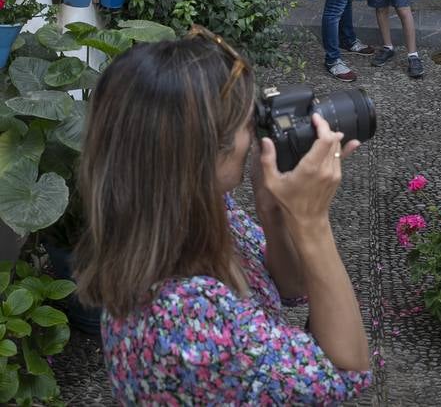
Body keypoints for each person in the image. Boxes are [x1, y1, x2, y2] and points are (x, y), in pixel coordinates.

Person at [74, 27, 371, 405]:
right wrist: (313, 223)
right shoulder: (187, 314)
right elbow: (347, 369)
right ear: (203, 155)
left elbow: (291, 288)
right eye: (247, 124)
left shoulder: (187, 210)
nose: (256, 135)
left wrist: (273, 211)